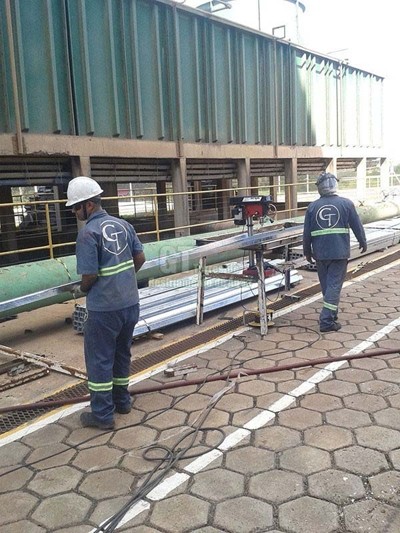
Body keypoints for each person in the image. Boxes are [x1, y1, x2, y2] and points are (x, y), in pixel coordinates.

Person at [66, 176, 145, 429]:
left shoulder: (88, 234)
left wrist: (82, 288)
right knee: (122, 354)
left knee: (99, 359)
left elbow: (89, 275)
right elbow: (140, 258)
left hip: (104, 309)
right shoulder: (124, 225)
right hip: (130, 305)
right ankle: (122, 402)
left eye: (76, 207)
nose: (75, 212)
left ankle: (102, 415)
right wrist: (123, 279)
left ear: (89, 205)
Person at [303, 172, 367, 333]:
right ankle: (326, 320)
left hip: (320, 253)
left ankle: (331, 315)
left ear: (320, 188)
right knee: (333, 286)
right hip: (339, 252)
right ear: (334, 185)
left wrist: (307, 251)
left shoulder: (312, 207)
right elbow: (357, 226)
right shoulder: (346, 204)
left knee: (327, 286)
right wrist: (362, 241)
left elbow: (306, 233)